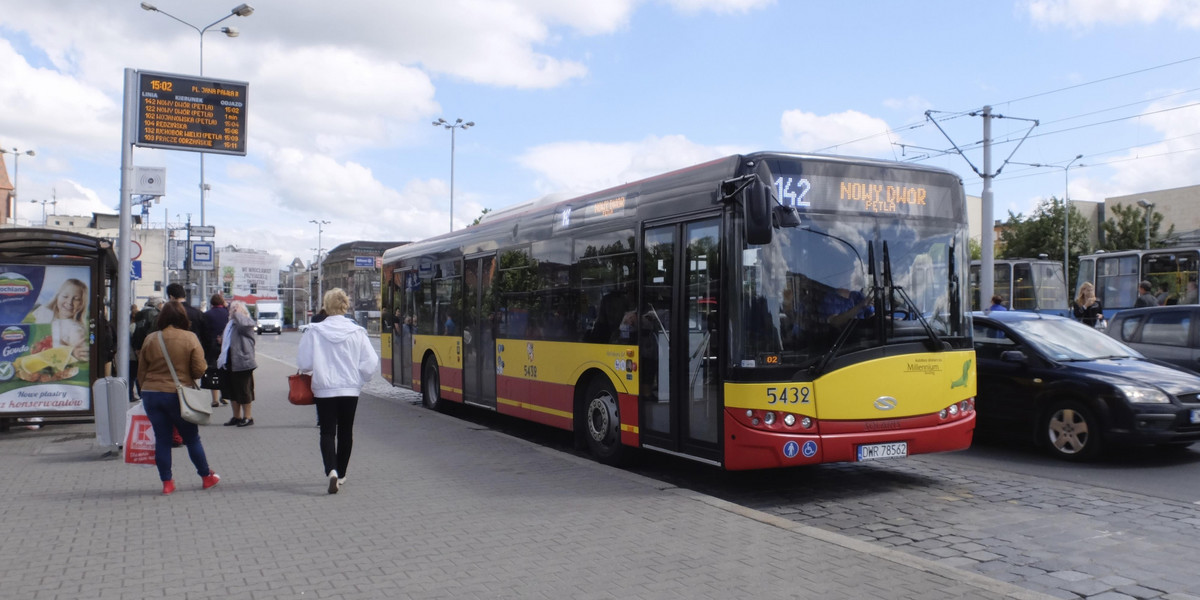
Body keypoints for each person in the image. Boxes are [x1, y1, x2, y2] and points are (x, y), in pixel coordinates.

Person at [297, 288, 379, 494]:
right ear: (345, 305)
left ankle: (330, 470)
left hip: (324, 388)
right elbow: (370, 362)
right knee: (345, 431)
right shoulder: (357, 332)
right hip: (350, 389)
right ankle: (341, 473)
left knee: (326, 431)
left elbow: (304, 363)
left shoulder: (314, 331)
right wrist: (360, 379)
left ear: (326, 305)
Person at [136, 300, 220, 496]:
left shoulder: (151, 339)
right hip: (178, 395)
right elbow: (199, 370)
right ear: (183, 318)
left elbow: (142, 371)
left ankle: (167, 482)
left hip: (152, 394)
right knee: (191, 439)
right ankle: (206, 476)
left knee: (162, 440)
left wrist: (144, 391)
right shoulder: (189, 338)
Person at [28, 278, 89, 361]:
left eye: (76, 299)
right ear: (58, 296)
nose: (69, 302)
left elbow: (81, 351)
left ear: (82, 304)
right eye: (65, 296)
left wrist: (74, 352)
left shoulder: (76, 329)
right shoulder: (44, 313)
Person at [217, 300, 257, 427]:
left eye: (236, 308)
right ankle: (236, 416)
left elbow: (245, 326)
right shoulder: (230, 324)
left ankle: (248, 417)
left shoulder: (246, 322)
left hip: (243, 361)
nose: (233, 310)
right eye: (232, 308)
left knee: (244, 390)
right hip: (229, 361)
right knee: (232, 391)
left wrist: (239, 313)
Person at [130, 297, 165, 401]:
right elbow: (153, 331)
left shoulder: (140, 313)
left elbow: (136, 330)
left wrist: (137, 347)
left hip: (138, 346)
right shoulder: (155, 314)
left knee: (141, 370)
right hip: (149, 345)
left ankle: (142, 391)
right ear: (157, 304)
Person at [203, 294, 230, 407]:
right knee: (225, 370)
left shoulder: (207, 315)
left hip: (212, 346)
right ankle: (225, 396)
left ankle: (215, 400)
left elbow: (204, 332)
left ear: (211, 303)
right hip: (226, 346)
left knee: (213, 372)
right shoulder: (228, 313)